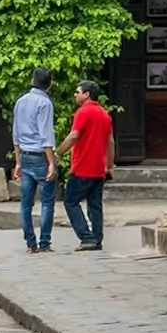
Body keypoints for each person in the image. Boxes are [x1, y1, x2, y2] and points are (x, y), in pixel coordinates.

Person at [11, 70, 60, 253]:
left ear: (32, 81)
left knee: (26, 203)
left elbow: (16, 135)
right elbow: (45, 135)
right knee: (47, 202)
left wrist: (17, 161)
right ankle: (44, 243)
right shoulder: (44, 103)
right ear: (50, 84)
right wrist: (51, 163)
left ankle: (30, 244)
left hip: (24, 156)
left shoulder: (21, 101)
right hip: (40, 156)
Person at [64, 79, 113, 250]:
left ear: (86, 94)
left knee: (70, 201)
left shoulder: (83, 112)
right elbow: (111, 142)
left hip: (82, 166)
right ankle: (97, 239)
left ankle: (86, 237)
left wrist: (58, 153)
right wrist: (110, 166)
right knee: (95, 205)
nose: (75, 95)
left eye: (77, 92)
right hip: (99, 168)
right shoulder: (105, 115)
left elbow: (74, 136)